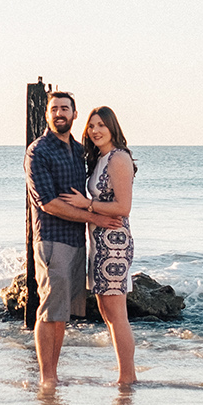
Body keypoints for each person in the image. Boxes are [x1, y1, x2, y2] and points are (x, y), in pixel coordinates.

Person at [59, 106, 137, 385]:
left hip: (114, 241)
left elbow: (123, 207)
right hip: (99, 240)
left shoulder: (118, 158)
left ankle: (127, 378)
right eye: (91, 126)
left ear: (112, 127)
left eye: (102, 125)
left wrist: (87, 204)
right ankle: (125, 376)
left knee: (116, 314)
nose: (95, 130)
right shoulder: (102, 158)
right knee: (108, 312)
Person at [24, 91, 93, 386]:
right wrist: (95, 217)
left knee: (61, 313)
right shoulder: (38, 151)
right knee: (48, 311)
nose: (59, 113)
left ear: (75, 115)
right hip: (52, 241)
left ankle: (54, 374)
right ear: (46, 115)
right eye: (54, 109)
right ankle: (46, 378)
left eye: (65, 108)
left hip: (76, 241)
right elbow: (48, 203)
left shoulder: (79, 152)